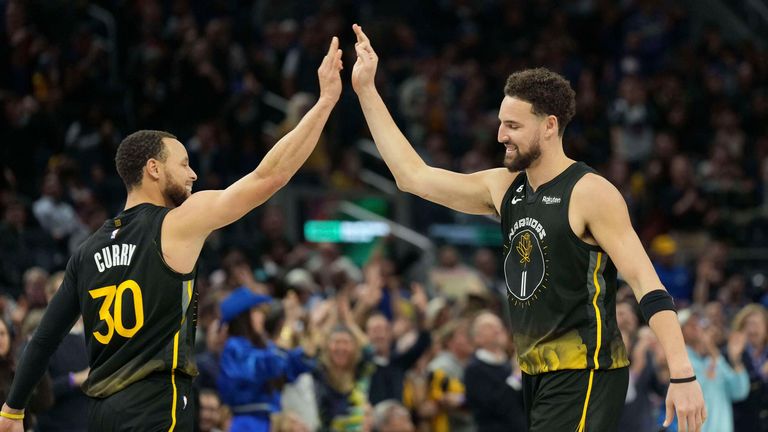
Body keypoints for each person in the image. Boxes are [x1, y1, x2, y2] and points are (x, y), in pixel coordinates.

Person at [350, 24, 706, 432]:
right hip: (535, 374)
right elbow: (412, 176)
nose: (501, 134)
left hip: (585, 370)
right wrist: (366, 91)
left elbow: (647, 284)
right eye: (501, 123)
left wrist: (683, 374)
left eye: (513, 126)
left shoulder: (590, 193)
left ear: (549, 126)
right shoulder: (504, 187)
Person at [0, 36, 344, 432]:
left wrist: (12, 409)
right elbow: (271, 176)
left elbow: (43, 339)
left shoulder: (87, 249)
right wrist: (324, 104)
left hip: (101, 414)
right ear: (153, 169)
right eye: (183, 164)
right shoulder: (175, 223)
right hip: (155, 406)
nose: (193, 174)